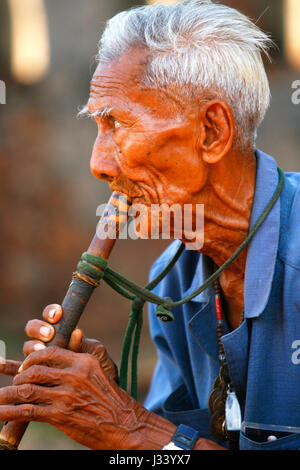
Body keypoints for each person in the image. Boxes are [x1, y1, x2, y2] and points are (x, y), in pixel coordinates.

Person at [1, 0, 300, 450]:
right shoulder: (176, 280)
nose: (98, 164)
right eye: (97, 127)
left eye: (117, 124)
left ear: (212, 132)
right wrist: (114, 407)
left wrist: (130, 428)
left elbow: (151, 441)